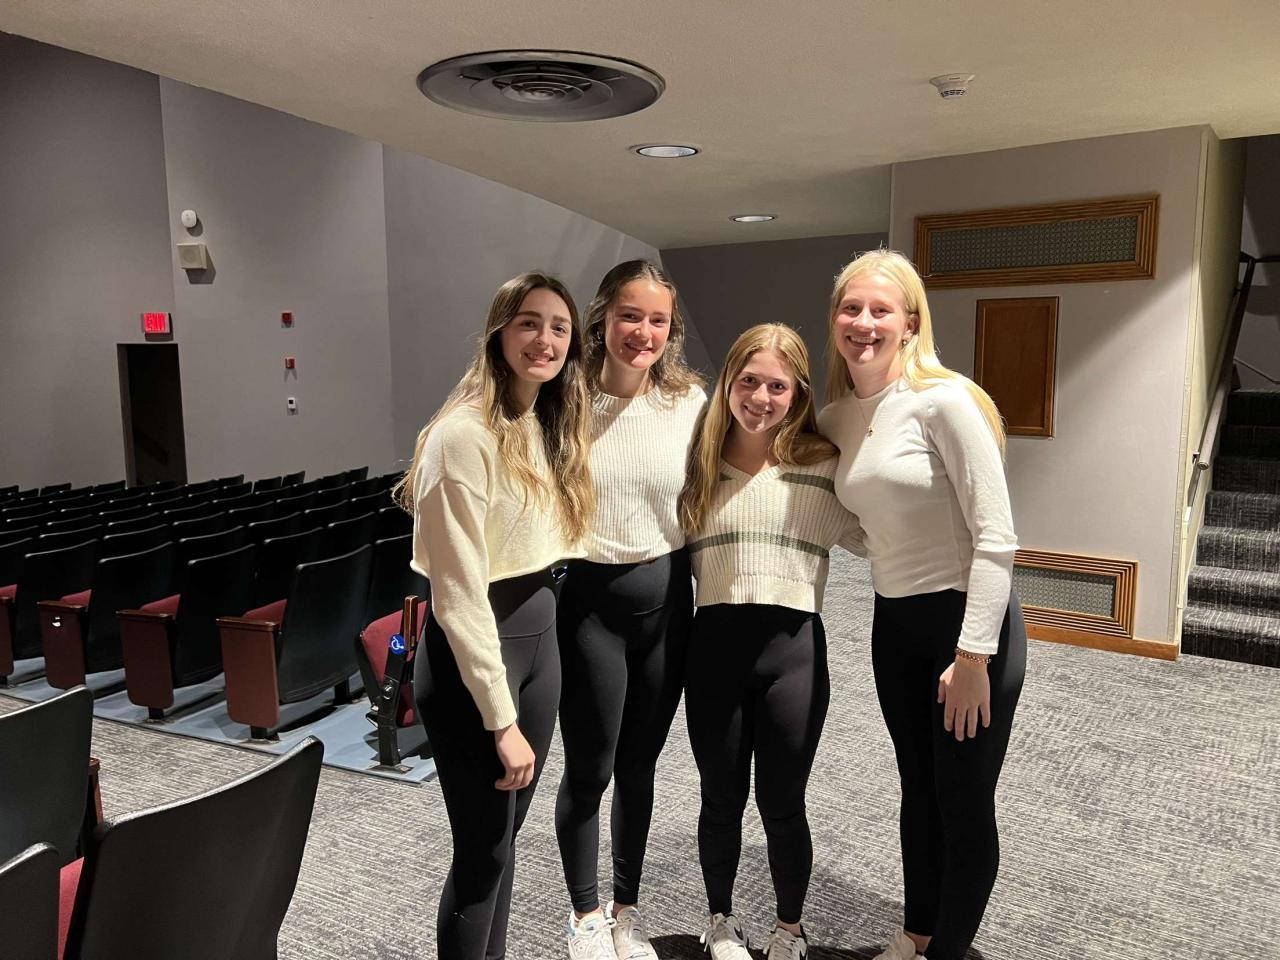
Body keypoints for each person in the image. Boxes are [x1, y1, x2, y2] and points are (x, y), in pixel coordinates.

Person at [816, 249, 1026, 960]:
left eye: (881, 310)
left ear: (910, 323)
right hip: (894, 622)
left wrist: (973, 657)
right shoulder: (836, 417)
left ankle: (947, 952)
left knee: (962, 801)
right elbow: (860, 520)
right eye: (851, 308)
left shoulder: (945, 402)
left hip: (967, 626)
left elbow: (996, 538)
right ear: (835, 320)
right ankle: (917, 932)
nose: (864, 322)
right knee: (919, 788)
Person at [395, 272, 594, 960]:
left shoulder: (542, 423)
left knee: (503, 846)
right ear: (499, 332)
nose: (545, 339)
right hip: (478, 658)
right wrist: (500, 721)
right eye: (529, 322)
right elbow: (456, 596)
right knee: (481, 855)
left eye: (559, 327)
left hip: (538, 645)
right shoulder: (462, 436)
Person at [679, 323, 862, 960]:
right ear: (729, 383)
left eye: (777, 386)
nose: (760, 397)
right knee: (720, 800)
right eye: (749, 381)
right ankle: (720, 922)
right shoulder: (697, 466)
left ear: (799, 394)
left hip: (795, 655)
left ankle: (790, 931)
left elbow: (882, 533)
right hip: (713, 654)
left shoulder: (823, 465)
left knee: (783, 804)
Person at [555, 260, 706, 960]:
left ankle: (624, 909)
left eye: (657, 320)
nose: (643, 332)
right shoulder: (566, 399)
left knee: (640, 767)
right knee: (591, 769)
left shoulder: (689, 403)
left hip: (669, 605)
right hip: (591, 608)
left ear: (671, 330)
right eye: (629, 316)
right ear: (602, 319)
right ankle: (584, 915)